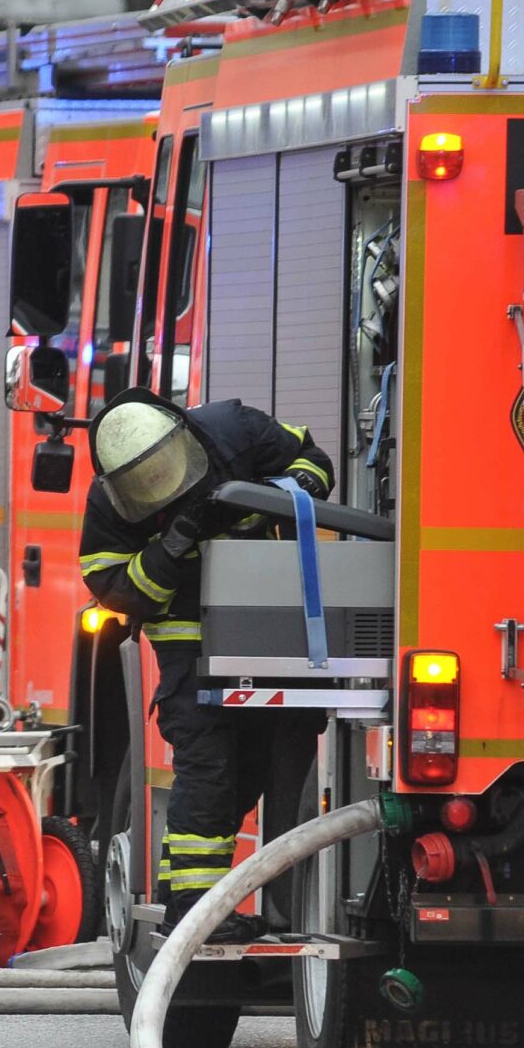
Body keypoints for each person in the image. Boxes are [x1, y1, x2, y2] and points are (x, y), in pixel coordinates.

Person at [79, 389, 333, 934]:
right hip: (188, 655)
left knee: (252, 774)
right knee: (209, 774)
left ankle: (186, 893)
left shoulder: (234, 431)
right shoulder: (108, 503)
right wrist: (171, 546)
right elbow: (113, 590)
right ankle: (196, 917)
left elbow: (312, 458)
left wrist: (277, 494)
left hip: (268, 633)